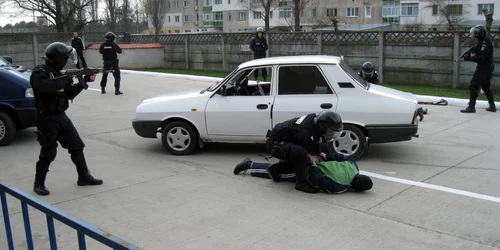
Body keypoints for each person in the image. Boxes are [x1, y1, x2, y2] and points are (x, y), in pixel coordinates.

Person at [30, 42, 103, 196]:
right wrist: (67, 77)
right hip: (46, 118)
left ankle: (84, 176)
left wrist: (84, 82)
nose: (66, 60)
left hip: (61, 116)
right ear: (56, 57)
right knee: (48, 152)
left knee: (77, 146)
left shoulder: (61, 74)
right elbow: (47, 88)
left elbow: (70, 94)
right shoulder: (40, 72)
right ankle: (39, 183)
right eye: (64, 57)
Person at [264, 110, 344, 193]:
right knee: (301, 155)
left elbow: (316, 138)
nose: (331, 133)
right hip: (273, 144)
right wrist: (312, 162)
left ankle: (275, 169)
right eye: (330, 131)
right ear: (323, 126)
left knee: (302, 156)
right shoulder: (305, 132)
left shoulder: (315, 122)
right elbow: (307, 154)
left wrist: (319, 152)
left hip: (285, 140)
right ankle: (300, 184)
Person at [233, 153, 373, 194]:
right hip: (308, 169)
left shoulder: (353, 166)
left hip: (315, 161)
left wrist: (324, 156)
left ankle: (250, 164)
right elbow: (318, 182)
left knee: (280, 168)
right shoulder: (341, 186)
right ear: (355, 189)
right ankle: (249, 166)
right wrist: (312, 165)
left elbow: (342, 157)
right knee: (280, 173)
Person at [461, 25, 496, 113]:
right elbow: (477, 50)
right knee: (485, 86)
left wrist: (469, 58)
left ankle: (471, 107)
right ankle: (492, 106)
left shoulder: (485, 43)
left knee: (473, 85)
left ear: (481, 33)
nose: (475, 34)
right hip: (487, 67)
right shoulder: (483, 41)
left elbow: (481, 58)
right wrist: (471, 51)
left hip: (484, 67)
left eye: (477, 32)